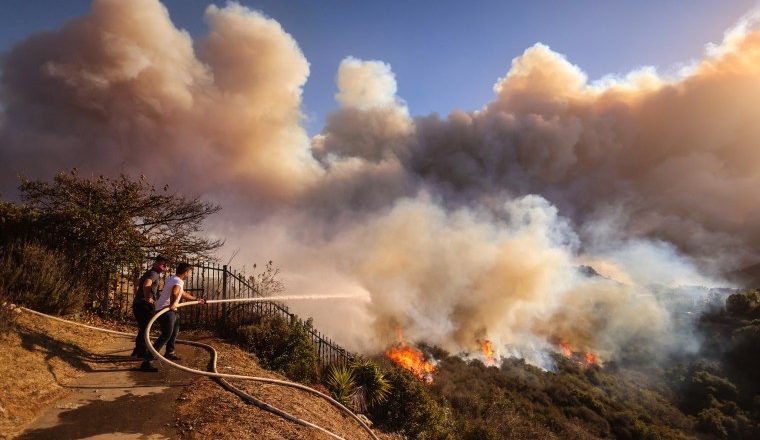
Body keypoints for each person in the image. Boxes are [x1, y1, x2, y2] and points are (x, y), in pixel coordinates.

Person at [140, 262, 205, 372]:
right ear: (186, 272)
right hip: (166, 310)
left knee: (175, 331)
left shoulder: (173, 279)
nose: (189, 274)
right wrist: (173, 303)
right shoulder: (178, 281)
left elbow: (181, 293)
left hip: (167, 309)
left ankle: (169, 352)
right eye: (189, 272)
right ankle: (147, 361)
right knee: (166, 335)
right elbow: (175, 292)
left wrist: (196, 299)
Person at [131, 256, 167, 364]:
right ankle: (141, 352)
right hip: (144, 305)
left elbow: (137, 284)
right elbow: (147, 284)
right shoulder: (153, 273)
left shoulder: (150, 272)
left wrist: (139, 295)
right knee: (145, 328)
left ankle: (137, 351)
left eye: (165, 265)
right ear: (156, 263)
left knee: (143, 328)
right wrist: (147, 297)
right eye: (162, 264)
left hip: (139, 303)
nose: (164, 267)